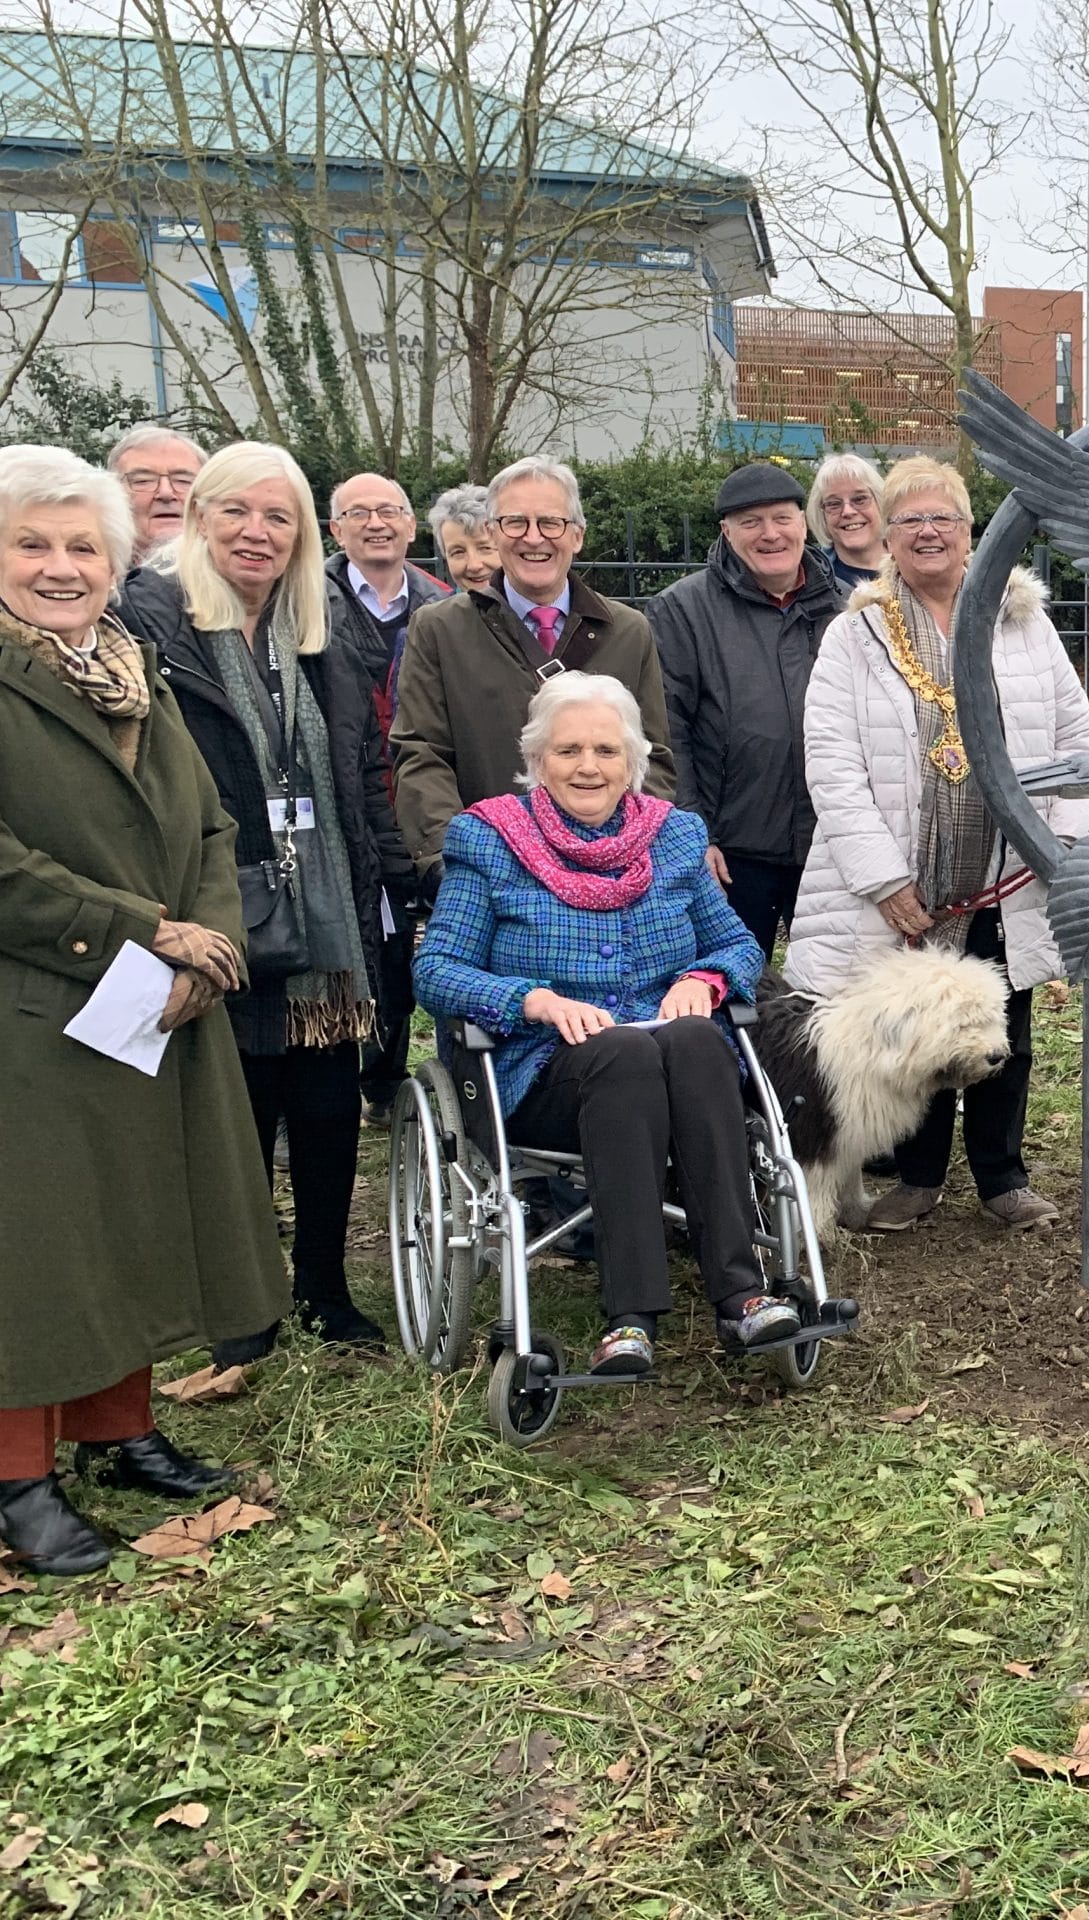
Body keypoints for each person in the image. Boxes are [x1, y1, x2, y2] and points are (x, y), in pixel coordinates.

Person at [0, 445, 284, 1576]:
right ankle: (18, 1473)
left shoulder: (132, 667)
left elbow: (211, 826)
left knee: (133, 1220)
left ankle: (119, 1432)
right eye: (32, 543)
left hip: (158, 1004)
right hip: (35, 1003)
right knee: (37, 1246)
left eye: (84, 546)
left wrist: (206, 949)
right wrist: (138, 929)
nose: (61, 567)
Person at [413, 672, 782, 1380]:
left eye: (607, 751)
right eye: (569, 750)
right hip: (543, 1071)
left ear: (634, 763)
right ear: (537, 761)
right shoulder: (488, 839)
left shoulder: (674, 837)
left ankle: (742, 1294)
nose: (589, 766)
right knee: (623, 1055)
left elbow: (738, 945)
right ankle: (631, 1318)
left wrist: (700, 980)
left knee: (700, 1037)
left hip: (673, 1061)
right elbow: (438, 970)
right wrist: (533, 999)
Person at [140, 442, 402, 1363]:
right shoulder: (153, 628)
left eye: (278, 516)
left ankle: (326, 1289)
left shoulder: (323, 629)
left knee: (329, 1112)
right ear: (199, 518)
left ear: (300, 535)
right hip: (220, 903)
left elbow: (365, 770)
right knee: (237, 1116)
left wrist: (397, 872)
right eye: (238, 512)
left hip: (326, 914)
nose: (258, 532)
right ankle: (241, 1305)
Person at [788, 456, 1089, 1231]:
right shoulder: (855, 635)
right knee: (911, 1030)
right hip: (903, 883)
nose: (928, 532)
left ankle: (1002, 1178)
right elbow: (830, 761)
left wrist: (1057, 842)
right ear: (886, 539)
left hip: (1010, 871)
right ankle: (917, 1179)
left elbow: (1075, 737)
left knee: (1004, 1030)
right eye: (910, 520)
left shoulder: (1024, 622)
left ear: (972, 534)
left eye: (945, 519)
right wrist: (881, 876)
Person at [392, 456, 675, 878]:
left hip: (608, 875)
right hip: (491, 875)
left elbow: (651, 757)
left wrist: (625, 854)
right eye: (515, 523)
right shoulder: (440, 630)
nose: (534, 538)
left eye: (550, 523)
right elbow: (421, 754)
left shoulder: (628, 632)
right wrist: (453, 858)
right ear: (491, 532)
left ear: (577, 536)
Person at [648, 463, 846, 954]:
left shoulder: (848, 607)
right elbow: (669, 729)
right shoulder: (682, 611)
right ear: (726, 531)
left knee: (836, 1001)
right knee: (728, 993)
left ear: (804, 522)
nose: (770, 534)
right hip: (731, 850)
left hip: (832, 844)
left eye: (782, 518)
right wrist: (694, 835)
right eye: (751, 522)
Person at [327, 473, 450, 1125]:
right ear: (335, 529)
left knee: (408, 947)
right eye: (358, 512)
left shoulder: (442, 605)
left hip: (416, 798)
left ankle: (385, 1082)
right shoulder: (311, 603)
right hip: (344, 798)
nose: (376, 523)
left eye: (390, 511)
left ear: (411, 526)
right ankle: (323, 1087)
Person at [106, 423, 203, 561]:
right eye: (143, 480)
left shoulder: (236, 576)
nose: (166, 493)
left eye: (183, 480)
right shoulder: (95, 576)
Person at [813, 452, 890, 592]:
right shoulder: (813, 582)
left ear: (880, 502)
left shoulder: (913, 565)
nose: (847, 512)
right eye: (834, 504)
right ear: (822, 514)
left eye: (859, 499)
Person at [426, 485, 502, 595]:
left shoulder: (533, 610)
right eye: (458, 552)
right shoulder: (435, 612)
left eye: (485, 548)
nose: (474, 566)